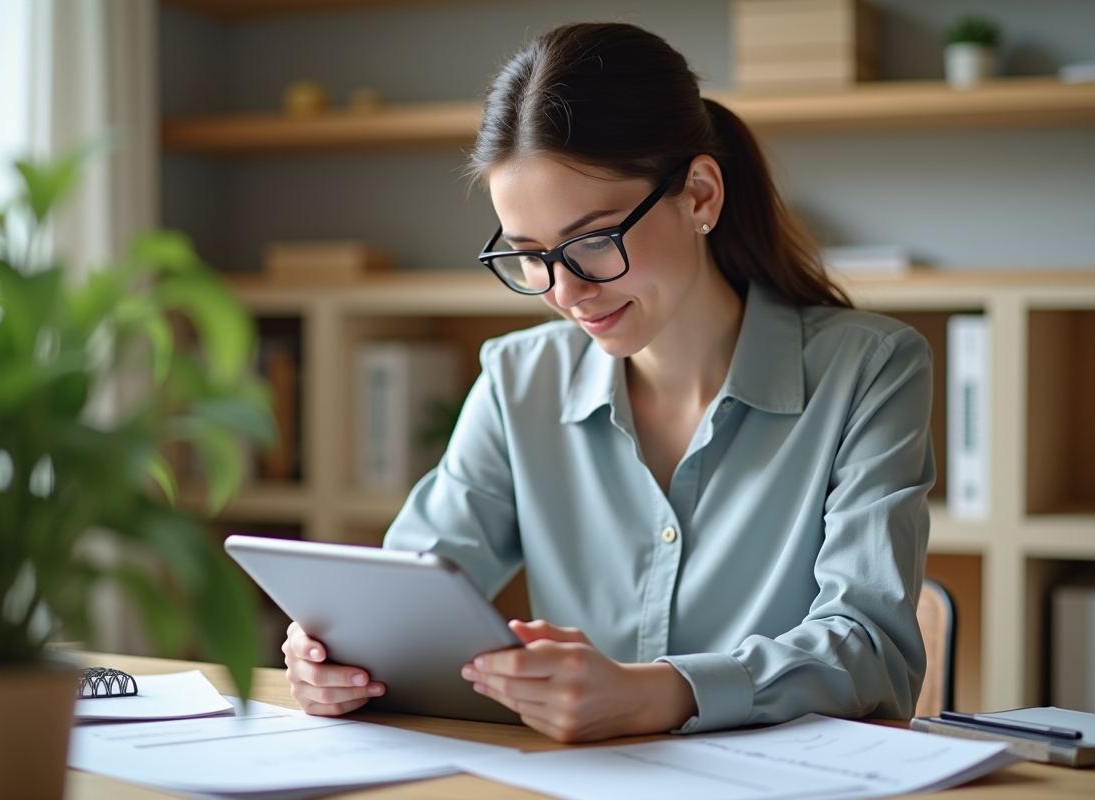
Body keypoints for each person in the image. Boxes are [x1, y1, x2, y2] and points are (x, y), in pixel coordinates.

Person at [282, 21, 934, 743]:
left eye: (594, 241)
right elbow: (407, 587)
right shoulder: (518, 381)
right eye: (531, 256)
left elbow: (874, 650)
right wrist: (333, 650)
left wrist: (661, 694)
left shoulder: (870, 370)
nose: (565, 290)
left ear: (700, 196)